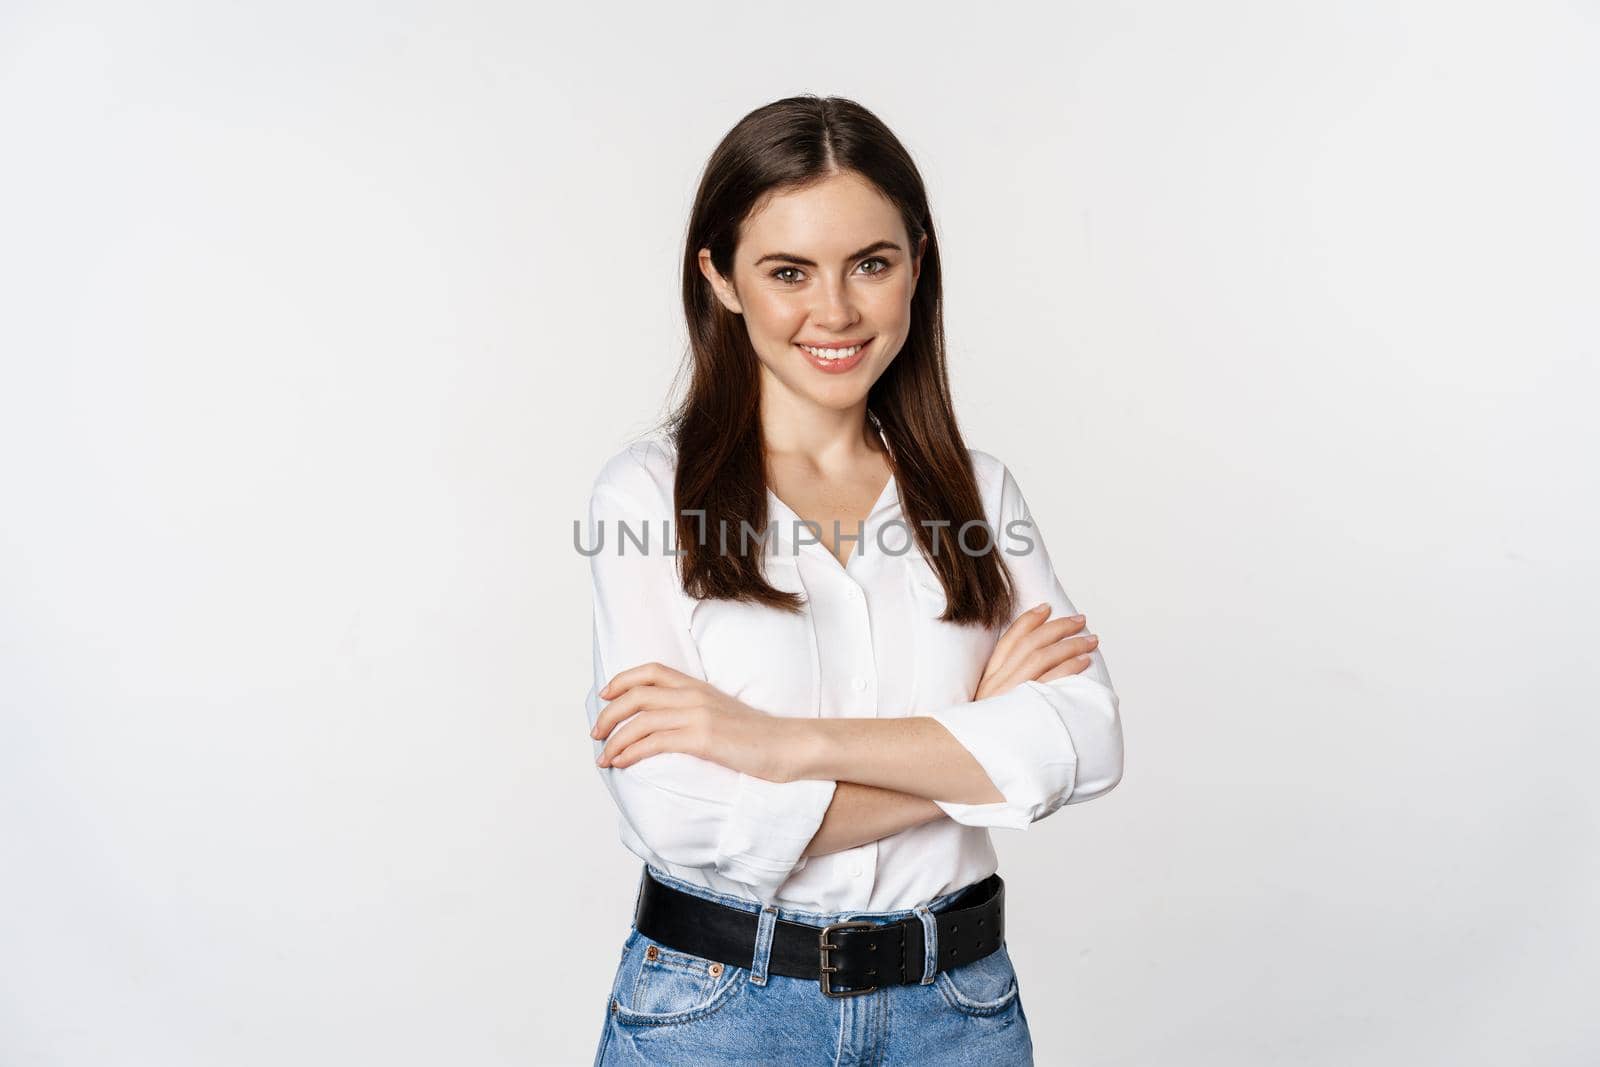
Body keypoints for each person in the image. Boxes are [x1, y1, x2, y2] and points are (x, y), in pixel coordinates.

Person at [581, 94, 1123, 1066]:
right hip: (715, 1017)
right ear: (721, 278)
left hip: (956, 1013)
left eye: (870, 263)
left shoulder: (977, 492)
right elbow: (680, 812)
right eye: (787, 271)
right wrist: (973, 748)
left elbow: (1086, 736)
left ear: (917, 259)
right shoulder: (645, 498)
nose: (834, 311)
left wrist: (779, 744)